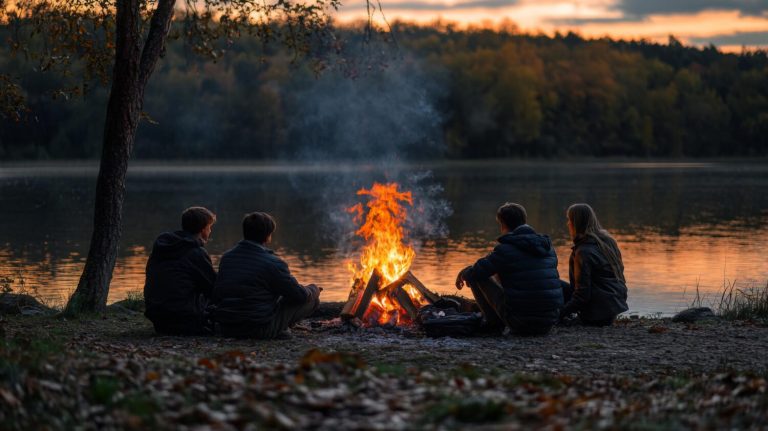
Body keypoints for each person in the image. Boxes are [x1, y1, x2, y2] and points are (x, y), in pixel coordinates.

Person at [455, 203, 563, 335]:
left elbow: (477, 272)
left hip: (521, 322)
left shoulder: (505, 249)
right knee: (502, 271)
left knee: (478, 276)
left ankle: (493, 324)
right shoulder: (548, 248)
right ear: (524, 220)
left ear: (503, 225)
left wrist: (464, 273)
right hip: (549, 321)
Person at [211, 212, 320, 339]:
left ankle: (279, 328)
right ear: (268, 236)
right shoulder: (273, 262)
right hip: (257, 328)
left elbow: (218, 293)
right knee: (312, 300)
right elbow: (299, 295)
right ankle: (275, 329)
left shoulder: (227, 257)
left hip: (227, 327)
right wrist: (314, 289)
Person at [144, 206, 217, 335]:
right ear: (202, 229)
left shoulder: (161, 247)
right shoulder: (196, 252)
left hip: (157, 317)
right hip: (183, 319)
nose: (210, 231)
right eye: (209, 227)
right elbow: (213, 288)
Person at [560, 203, 628, 326]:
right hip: (612, 308)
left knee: (555, 285)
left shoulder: (583, 252)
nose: (567, 224)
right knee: (558, 285)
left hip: (597, 314)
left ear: (576, 223)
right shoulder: (608, 241)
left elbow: (582, 295)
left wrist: (559, 314)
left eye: (569, 220)